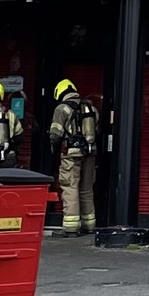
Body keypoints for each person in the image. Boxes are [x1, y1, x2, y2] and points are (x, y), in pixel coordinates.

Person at [46, 77, 100, 235]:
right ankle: (89, 225)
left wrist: (54, 150)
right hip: (90, 153)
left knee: (70, 187)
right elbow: (97, 129)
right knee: (87, 188)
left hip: (71, 154)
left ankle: (71, 227)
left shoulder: (62, 109)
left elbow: (55, 134)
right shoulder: (90, 107)